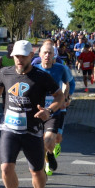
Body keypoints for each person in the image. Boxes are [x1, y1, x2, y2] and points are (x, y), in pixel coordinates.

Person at [0, 40, 64, 188]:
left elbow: (59, 96)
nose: (19, 60)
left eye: (23, 56)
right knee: (5, 167)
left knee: (36, 171)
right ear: (12, 56)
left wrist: (49, 111)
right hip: (9, 128)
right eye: (16, 56)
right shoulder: (5, 72)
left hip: (32, 131)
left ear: (31, 56)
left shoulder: (41, 76)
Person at [36, 40, 75, 177]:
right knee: (41, 141)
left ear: (54, 55)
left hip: (55, 110)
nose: (47, 55)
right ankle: (48, 156)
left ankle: (49, 157)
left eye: (50, 53)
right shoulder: (34, 67)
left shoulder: (60, 68)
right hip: (37, 110)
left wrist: (66, 98)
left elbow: (70, 83)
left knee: (52, 138)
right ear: (40, 54)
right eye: (45, 53)